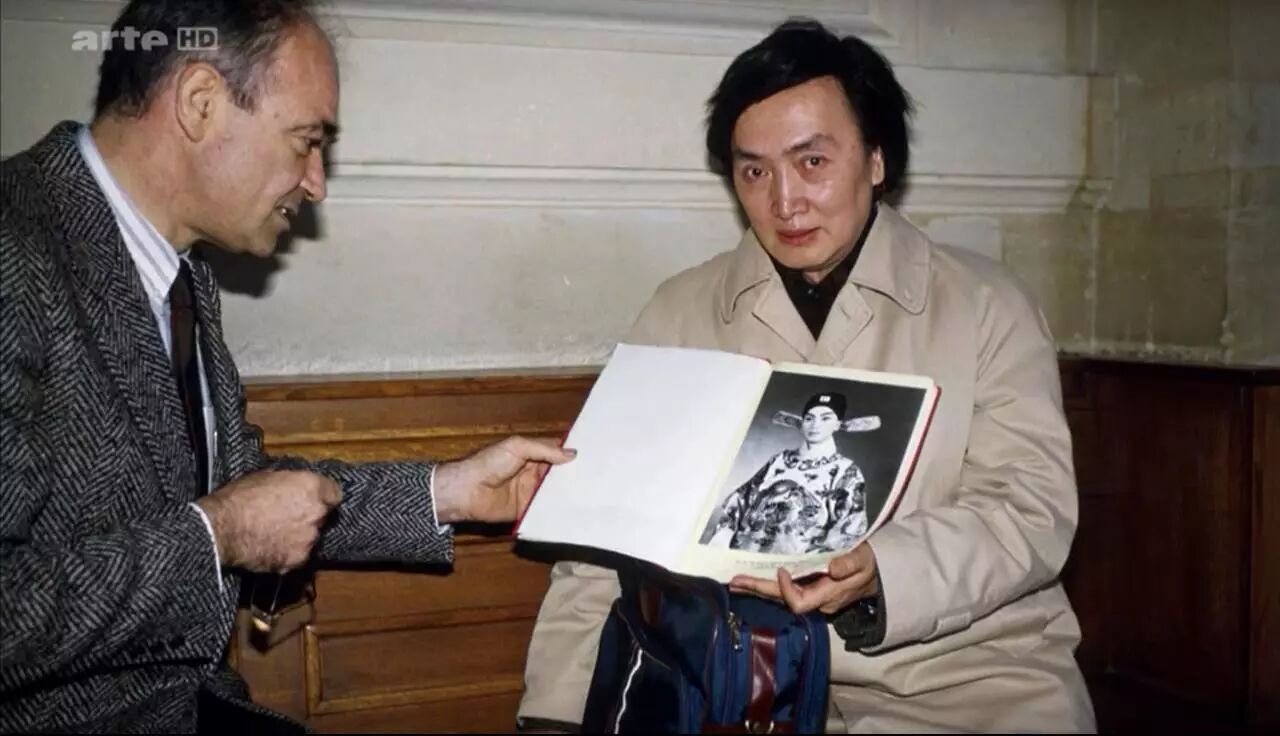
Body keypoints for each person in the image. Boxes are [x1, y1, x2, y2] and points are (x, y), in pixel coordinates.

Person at [0, 1, 574, 732]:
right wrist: (216, 535)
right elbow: (225, 520)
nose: (316, 182)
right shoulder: (14, 247)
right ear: (200, 102)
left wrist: (450, 492)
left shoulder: (180, 276)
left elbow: (255, 495)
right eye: (306, 141)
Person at [519, 18, 1095, 733]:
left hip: (963, 681)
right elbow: (603, 540)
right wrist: (555, 712)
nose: (784, 201)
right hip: (736, 687)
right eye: (754, 171)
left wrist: (886, 571)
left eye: (812, 161)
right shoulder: (679, 313)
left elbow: (1028, 508)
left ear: (876, 160)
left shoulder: (986, 306)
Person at [700, 392, 869, 554]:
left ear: (838, 424)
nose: (815, 425)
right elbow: (740, 500)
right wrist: (722, 539)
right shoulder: (779, 460)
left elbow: (849, 529)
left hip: (795, 563)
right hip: (745, 552)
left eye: (825, 418)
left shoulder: (845, 470)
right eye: (809, 418)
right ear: (801, 423)